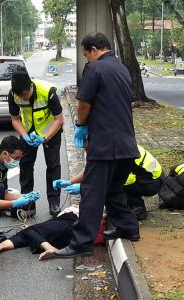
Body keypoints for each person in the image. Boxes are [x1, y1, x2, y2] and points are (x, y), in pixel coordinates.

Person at [53, 32, 140, 259]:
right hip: (127, 144)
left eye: (85, 54)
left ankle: (81, 242)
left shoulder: (95, 68)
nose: (86, 59)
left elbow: (84, 103)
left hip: (105, 145)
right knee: (114, 189)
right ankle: (127, 227)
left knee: (92, 193)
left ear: (93, 49)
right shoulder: (120, 67)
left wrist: (81, 125)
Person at [53, 145, 164, 221]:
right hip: (144, 176)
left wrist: (83, 187)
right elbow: (91, 169)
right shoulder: (107, 148)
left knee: (115, 189)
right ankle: (127, 206)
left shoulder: (117, 154)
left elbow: (111, 182)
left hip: (152, 181)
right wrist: (70, 181)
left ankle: (137, 209)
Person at [8, 71, 64, 217]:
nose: (23, 98)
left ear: (30, 86)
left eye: (25, 95)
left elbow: (58, 119)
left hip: (50, 130)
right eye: (21, 96)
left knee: (53, 165)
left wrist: (44, 138)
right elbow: (15, 119)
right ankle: (28, 203)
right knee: (25, 165)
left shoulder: (48, 91)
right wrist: (25, 136)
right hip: (28, 131)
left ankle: (54, 202)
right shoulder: (13, 94)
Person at [0, 205, 80, 260]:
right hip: (67, 234)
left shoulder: (79, 209)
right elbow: (51, 224)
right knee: (28, 233)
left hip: (69, 222)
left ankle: (51, 249)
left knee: (29, 231)